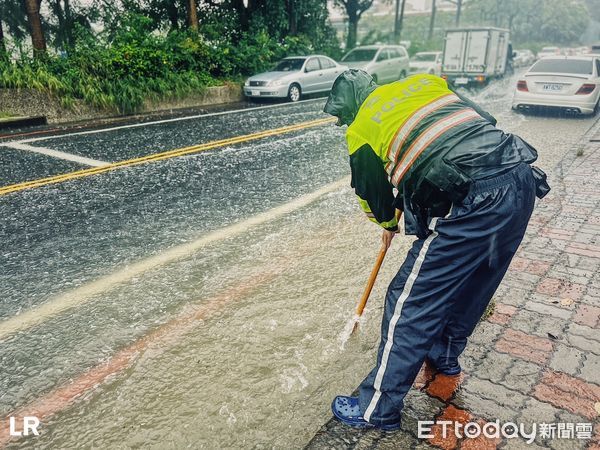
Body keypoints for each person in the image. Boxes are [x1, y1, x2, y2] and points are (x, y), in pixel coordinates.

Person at [323, 70, 549, 430]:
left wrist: (387, 225)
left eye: (342, 115)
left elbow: (373, 199)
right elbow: (480, 123)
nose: (345, 122)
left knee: (408, 302)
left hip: (472, 200)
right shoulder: (423, 83)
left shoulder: (362, 127)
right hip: (519, 179)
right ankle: (443, 355)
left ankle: (375, 408)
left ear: (349, 106)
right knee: (476, 283)